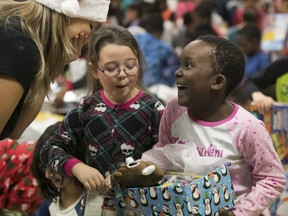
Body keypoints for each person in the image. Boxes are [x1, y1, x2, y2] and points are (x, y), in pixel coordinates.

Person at [142, 35, 286, 216]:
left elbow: (272, 178)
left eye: (188, 65)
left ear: (217, 82)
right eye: (180, 64)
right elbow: (164, 150)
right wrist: (143, 168)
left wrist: (238, 213)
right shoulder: (174, 109)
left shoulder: (247, 127)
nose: (177, 72)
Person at [40, 25, 165, 194]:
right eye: (111, 68)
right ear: (94, 70)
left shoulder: (153, 109)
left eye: (130, 66)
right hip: (96, 206)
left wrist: (127, 175)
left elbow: (165, 159)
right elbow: (49, 149)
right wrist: (77, 168)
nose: (122, 74)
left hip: (140, 206)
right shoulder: (87, 108)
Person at [0, 0, 110, 140]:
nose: (88, 39)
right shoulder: (19, 45)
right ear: (68, 14)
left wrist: (56, 64)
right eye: (91, 26)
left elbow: (16, 131)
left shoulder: (26, 43)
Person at [31, 121, 86, 216]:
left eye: (54, 166)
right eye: (43, 167)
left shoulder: (92, 205)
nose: (47, 175)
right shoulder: (51, 197)